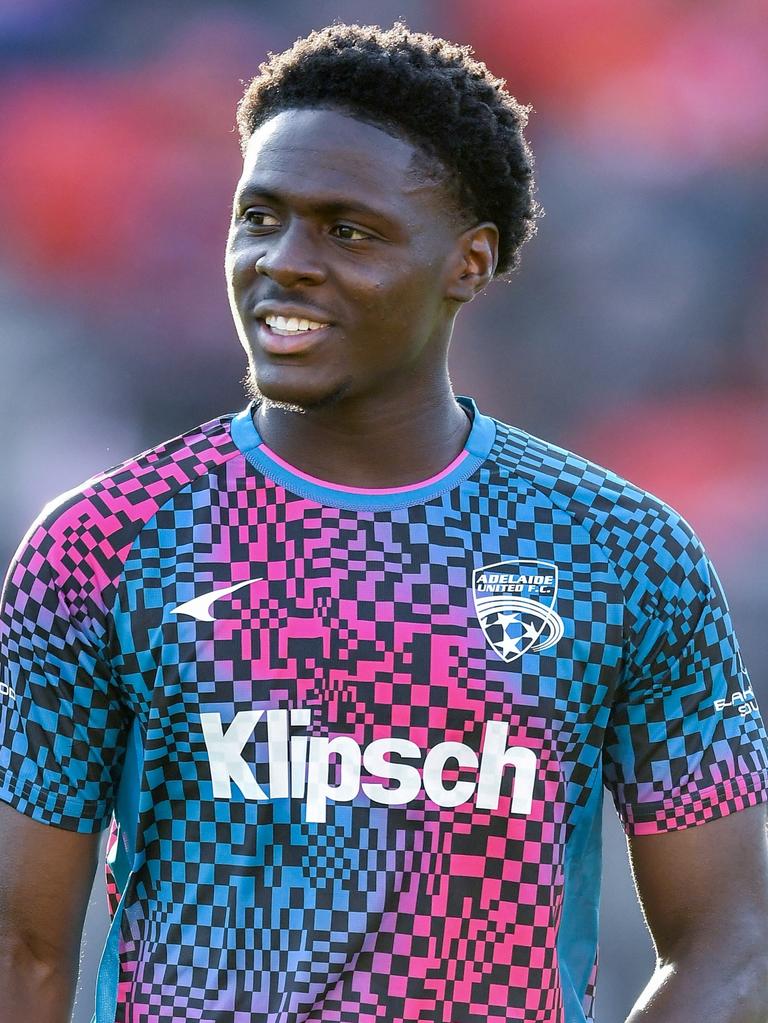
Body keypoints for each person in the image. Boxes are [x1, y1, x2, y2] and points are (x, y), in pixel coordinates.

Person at [1, 20, 766, 1023]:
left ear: (470, 263)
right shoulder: (103, 541)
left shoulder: (622, 552)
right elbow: (20, 950)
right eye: (260, 218)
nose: (284, 262)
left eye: (346, 230)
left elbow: (732, 942)